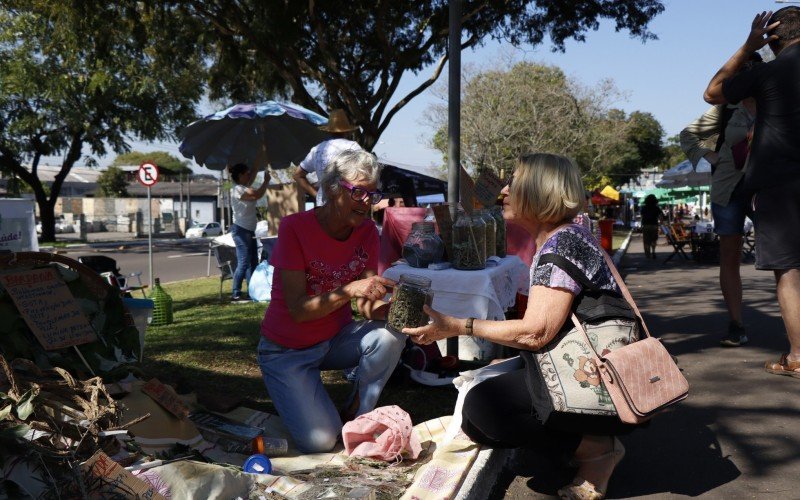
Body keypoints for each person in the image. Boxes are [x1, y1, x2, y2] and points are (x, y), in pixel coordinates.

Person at [404, 153, 642, 499]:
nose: (502, 190)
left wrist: (458, 325)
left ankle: (597, 450)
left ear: (536, 193)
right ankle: (585, 440)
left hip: (594, 384)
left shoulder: (561, 245)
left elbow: (536, 332)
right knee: (481, 402)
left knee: (483, 409)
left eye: (512, 184)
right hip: (599, 372)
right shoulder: (568, 235)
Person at [257, 149, 405, 453]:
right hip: (286, 351)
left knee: (392, 335)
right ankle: (305, 397)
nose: (366, 201)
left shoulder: (366, 232)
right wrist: (351, 289)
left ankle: (359, 411)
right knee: (321, 441)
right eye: (358, 192)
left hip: (334, 340)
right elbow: (298, 311)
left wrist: (399, 309)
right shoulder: (294, 228)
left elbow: (367, 306)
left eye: (372, 194)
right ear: (333, 187)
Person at [704, 8, 800, 377]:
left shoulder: (767, 72)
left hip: (780, 182)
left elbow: (712, 92)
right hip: (756, 184)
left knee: (789, 268)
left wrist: (747, 45)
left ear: (772, 39)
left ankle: (796, 356)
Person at [681, 54, 761, 346]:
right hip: (728, 189)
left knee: (785, 255)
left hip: (764, 187)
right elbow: (688, 136)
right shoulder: (725, 109)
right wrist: (712, 156)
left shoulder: (775, 105)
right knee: (730, 254)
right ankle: (736, 323)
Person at [293, 109, 363, 206]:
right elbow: (365, 175)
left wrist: (316, 194)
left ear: (329, 131)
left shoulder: (317, 150)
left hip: (323, 206)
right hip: (346, 205)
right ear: (347, 131)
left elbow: (297, 175)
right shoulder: (353, 147)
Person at [228, 147, 271, 301]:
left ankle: (252, 290)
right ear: (240, 176)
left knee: (253, 261)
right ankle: (236, 292)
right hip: (240, 231)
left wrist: (261, 152)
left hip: (249, 230)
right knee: (244, 261)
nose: (249, 176)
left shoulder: (244, 186)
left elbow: (253, 170)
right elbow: (258, 194)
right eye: (246, 174)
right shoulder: (237, 190)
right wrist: (265, 181)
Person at [639, 194, 661, 259]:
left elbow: (642, 216)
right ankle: (653, 251)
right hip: (654, 225)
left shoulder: (644, 208)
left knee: (646, 241)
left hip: (646, 225)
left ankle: (648, 254)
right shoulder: (656, 208)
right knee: (654, 239)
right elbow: (660, 216)